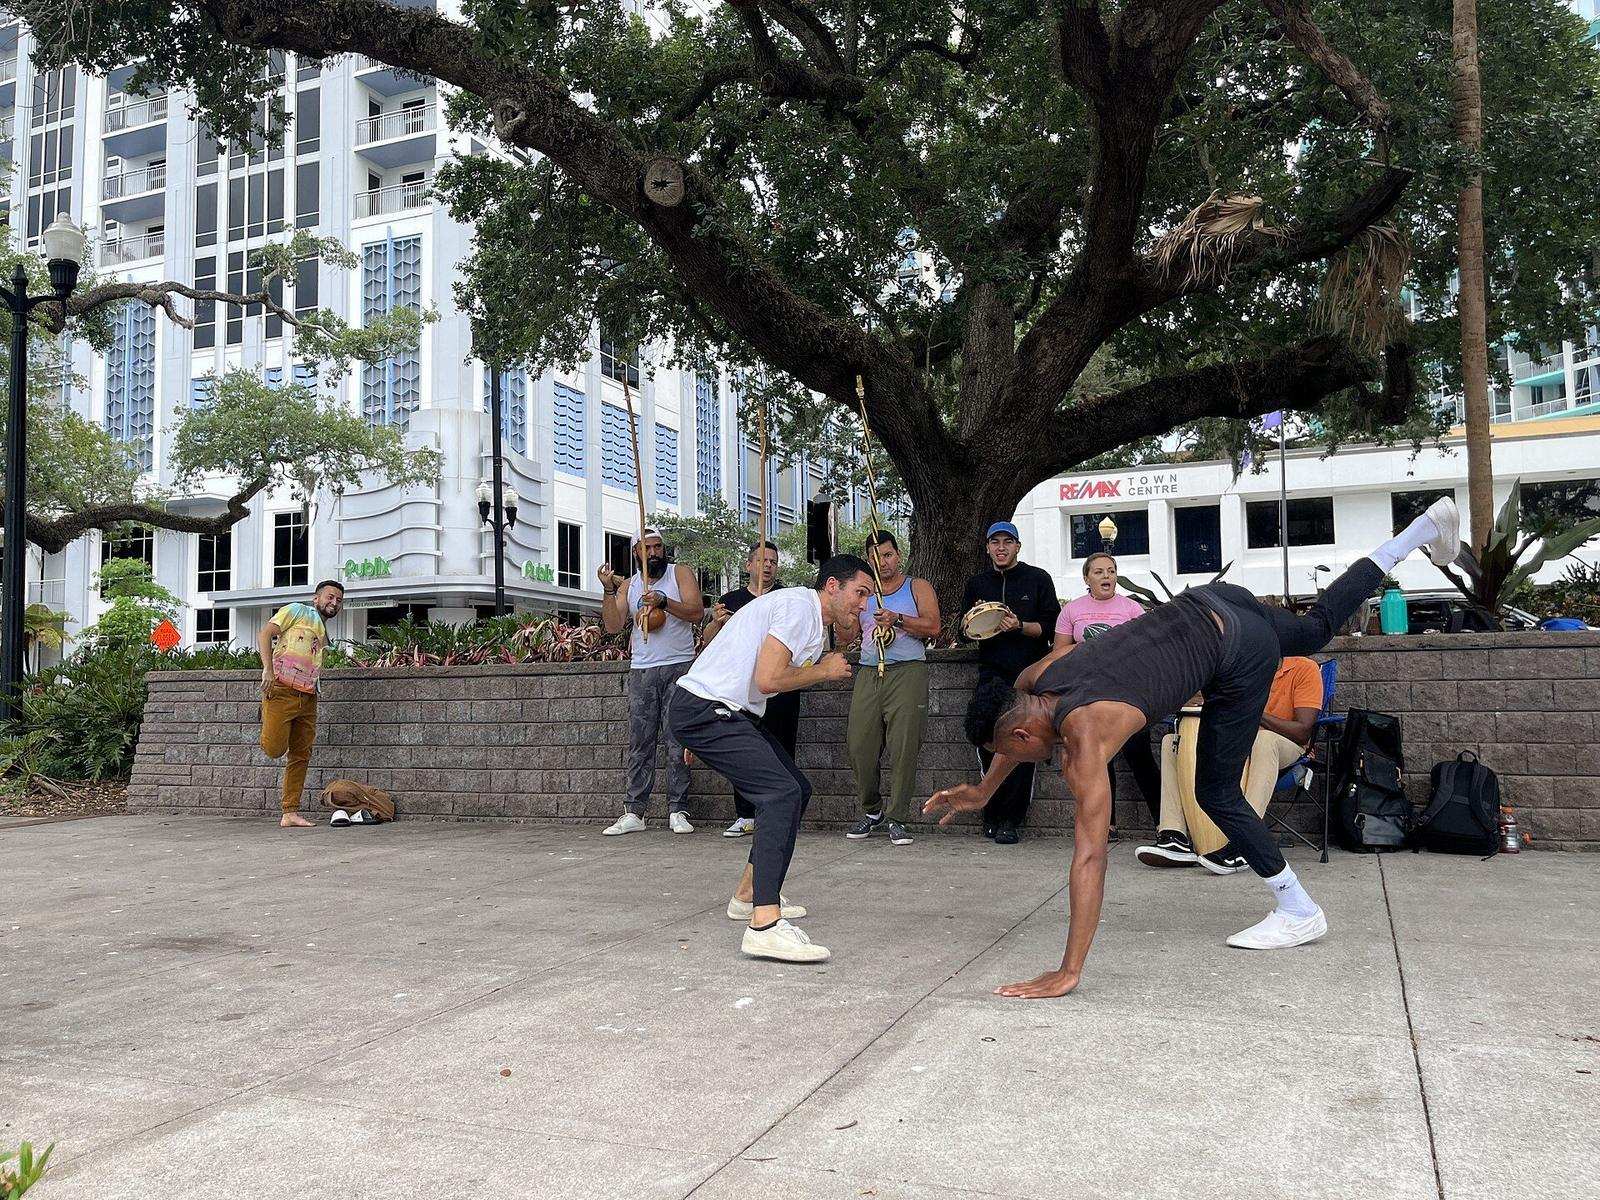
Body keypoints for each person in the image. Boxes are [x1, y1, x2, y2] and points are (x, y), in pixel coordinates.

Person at [926, 498, 1459, 997]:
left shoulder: (1087, 740)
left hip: (1234, 651)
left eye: (1013, 753)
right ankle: (1420, 529)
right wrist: (981, 790)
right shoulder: (1035, 675)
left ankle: (1298, 908)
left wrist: (1069, 971)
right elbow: (1010, 729)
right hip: (1213, 601)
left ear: (1021, 735)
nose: (1017, 760)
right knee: (1314, 628)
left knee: (1215, 792)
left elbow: (1089, 858)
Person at [669, 555, 875, 963]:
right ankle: (764, 925)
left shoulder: (812, 625)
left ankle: (748, 894)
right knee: (779, 794)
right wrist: (824, 672)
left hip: (719, 709)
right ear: (832, 586)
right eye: (860, 593)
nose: (863, 605)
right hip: (710, 708)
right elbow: (769, 679)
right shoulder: (799, 607)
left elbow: (748, 665)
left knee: (796, 788)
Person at [1139, 656, 1324, 873]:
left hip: (1285, 746)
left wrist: (1254, 714)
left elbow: (1302, 731)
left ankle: (1246, 841)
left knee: (1263, 740)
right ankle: (1174, 836)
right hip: (1239, 744)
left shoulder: (1303, 668)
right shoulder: (1243, 666)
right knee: (1172, 741)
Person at [1018, 551, 1159, 834]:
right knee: (1098, 760)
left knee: (1140, 757)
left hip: (1127, 695)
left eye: (1111, 570)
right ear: (1086, 578)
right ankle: (1106, 824)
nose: (1106, 576)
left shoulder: (1132, 609)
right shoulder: (1072, 610)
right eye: (1099, 572)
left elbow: (1148, 651)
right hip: (1089, 696)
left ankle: (1166, 825)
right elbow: (1058, 655)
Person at [958, 521, 1061, 844]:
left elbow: (1050, 627)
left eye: (1007, 542)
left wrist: (1019, 625)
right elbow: (963, 633)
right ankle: (990, 810)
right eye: (994, 542)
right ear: (987, 547)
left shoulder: (1038, 579)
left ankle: (1011, 820)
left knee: (1021, 746)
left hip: (1027, 676)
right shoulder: (977, 583)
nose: (1000, 548)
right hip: (991, 676)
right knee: (988, 742)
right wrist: (974, 620)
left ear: (1017, 546)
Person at [599, 527, 705, 835]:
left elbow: (697, 612)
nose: (655, 553)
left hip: (679, 664)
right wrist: (608, 589)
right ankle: (635, 812)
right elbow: (613, 624)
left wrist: (663, 601)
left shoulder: (679, 573)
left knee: (678, 739)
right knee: (640, 741)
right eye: (648, 548)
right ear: (636, 553)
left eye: (659, 547)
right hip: (643, 668)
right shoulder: (629, 586)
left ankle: (678, 809)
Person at [845, 531, 941, 846]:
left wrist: (897, 619)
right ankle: (872, 813)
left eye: (887, 555)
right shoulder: (863, 591)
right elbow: (847, 635)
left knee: (903, 747)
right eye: (874, 557)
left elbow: (933, 626)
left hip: (908, 671)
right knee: (859, 745)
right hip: (869, 671)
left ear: (898, 554)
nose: (882, 562)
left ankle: (897, 817)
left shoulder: (917, 586)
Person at [702, 541, 796, 838]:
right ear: (749, 565)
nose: (768, 565)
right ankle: (744, 814)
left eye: (773, 561)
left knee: (781, 748)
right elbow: (708, 642)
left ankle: (782, 812)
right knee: (744, 749)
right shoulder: (731, 599)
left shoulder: (785, 597)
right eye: (762, 560)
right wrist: (716, 624)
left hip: (779, 686)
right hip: (742, 687)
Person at [257, 580, 344, 828]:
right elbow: (265, 633)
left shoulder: (324, 633)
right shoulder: (296, 610)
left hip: (308, 697)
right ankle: (265, 715)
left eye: (338, 600)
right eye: (329, 597)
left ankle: (290, 812)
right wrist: (267, 670)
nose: (334, 603)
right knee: (274, 749)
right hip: (282, 690)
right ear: (316, 598)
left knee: (301, 754)